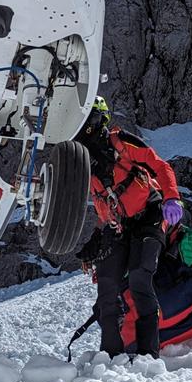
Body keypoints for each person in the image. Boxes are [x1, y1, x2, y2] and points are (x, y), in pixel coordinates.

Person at [76, 97, 183, 358]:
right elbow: (104, 207)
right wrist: (97, 240)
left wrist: (172, 197)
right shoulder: (83, 165)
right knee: (107, 286)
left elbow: (160, 165)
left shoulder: (121, 142)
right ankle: (109, 356)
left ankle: (148, 355)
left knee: (138, 276)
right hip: (120, 225)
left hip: (150, 214)